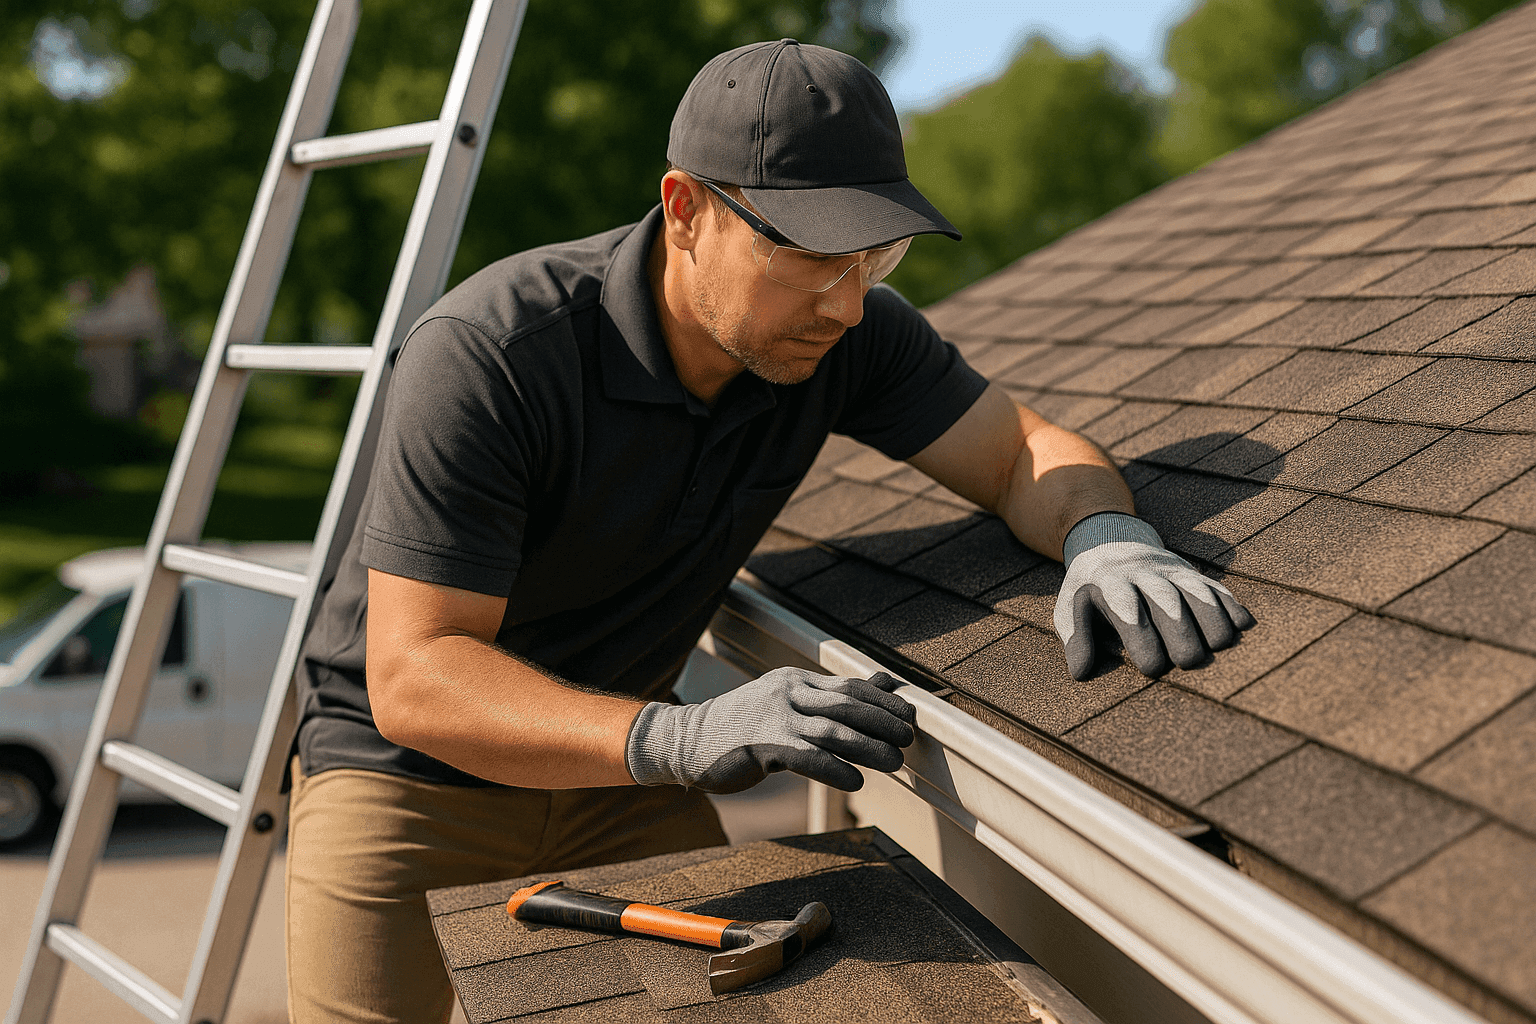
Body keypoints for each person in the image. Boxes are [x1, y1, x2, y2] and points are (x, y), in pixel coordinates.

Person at [284, 38, 1254, 1023]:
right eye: (808, 254)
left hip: (623, 780)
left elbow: (1018, 451)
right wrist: (684, 732)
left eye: (878, 253)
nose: (846, 299)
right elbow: (416, 675)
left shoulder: (849, 330)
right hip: (405, 784)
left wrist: (1103, 533)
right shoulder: (494, 357)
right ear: (686, 210)